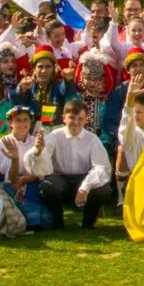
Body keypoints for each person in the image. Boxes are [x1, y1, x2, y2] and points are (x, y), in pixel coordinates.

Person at [34, 98, 112, 229]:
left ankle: (88, 223)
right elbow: (42, 161)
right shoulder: (54, 135)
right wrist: (37, 151)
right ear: (64, 118)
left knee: (103, 189)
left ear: (86, 119)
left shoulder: (92, 139)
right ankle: (57, 223)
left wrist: (85, 187)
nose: (76, 122)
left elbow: (101, 167)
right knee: (47, 187)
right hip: (60, 179)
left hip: (83, 179)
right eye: (72, 118)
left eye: (80, 119)